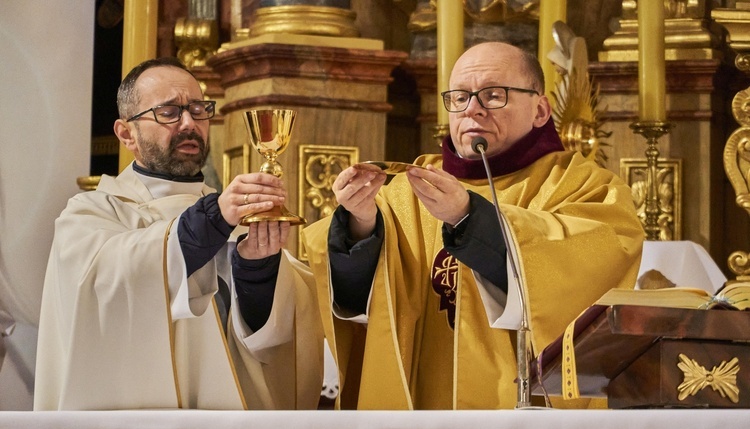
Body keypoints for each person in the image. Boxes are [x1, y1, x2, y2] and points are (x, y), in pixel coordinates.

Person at [302, 42, 644, 409]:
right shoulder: (404, 190)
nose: (472, 109)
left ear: (540, 110)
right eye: (460, 97)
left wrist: (470, 218)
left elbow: (592, 270)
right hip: (420, 411)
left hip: (521, 414)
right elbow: (356, 303)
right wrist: (360, 225)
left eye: (493, 96)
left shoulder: (586, 186)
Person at [34, 57, 323, 410]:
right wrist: (212, 220)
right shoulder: (91, 214)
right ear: (127, 134)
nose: (189, 123)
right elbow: (105, 288)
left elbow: (277, 337)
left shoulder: (231, 220)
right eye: (168, 112)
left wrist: (256, 270)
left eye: (199, 110)